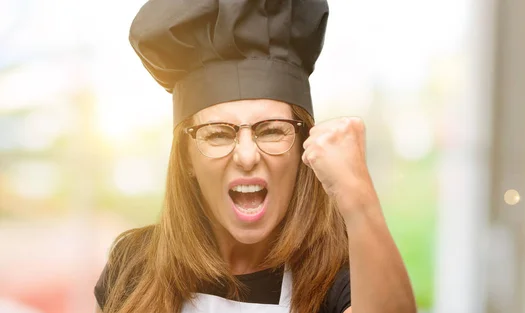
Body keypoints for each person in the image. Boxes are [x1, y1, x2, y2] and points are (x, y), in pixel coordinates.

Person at [94, 1, 416, 313]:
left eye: (272, 131)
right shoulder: (132, 266)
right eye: (218, 134)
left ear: (303, 149)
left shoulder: (340, 278)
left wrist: (358, 198)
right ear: (187, 158)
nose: (247, 156)